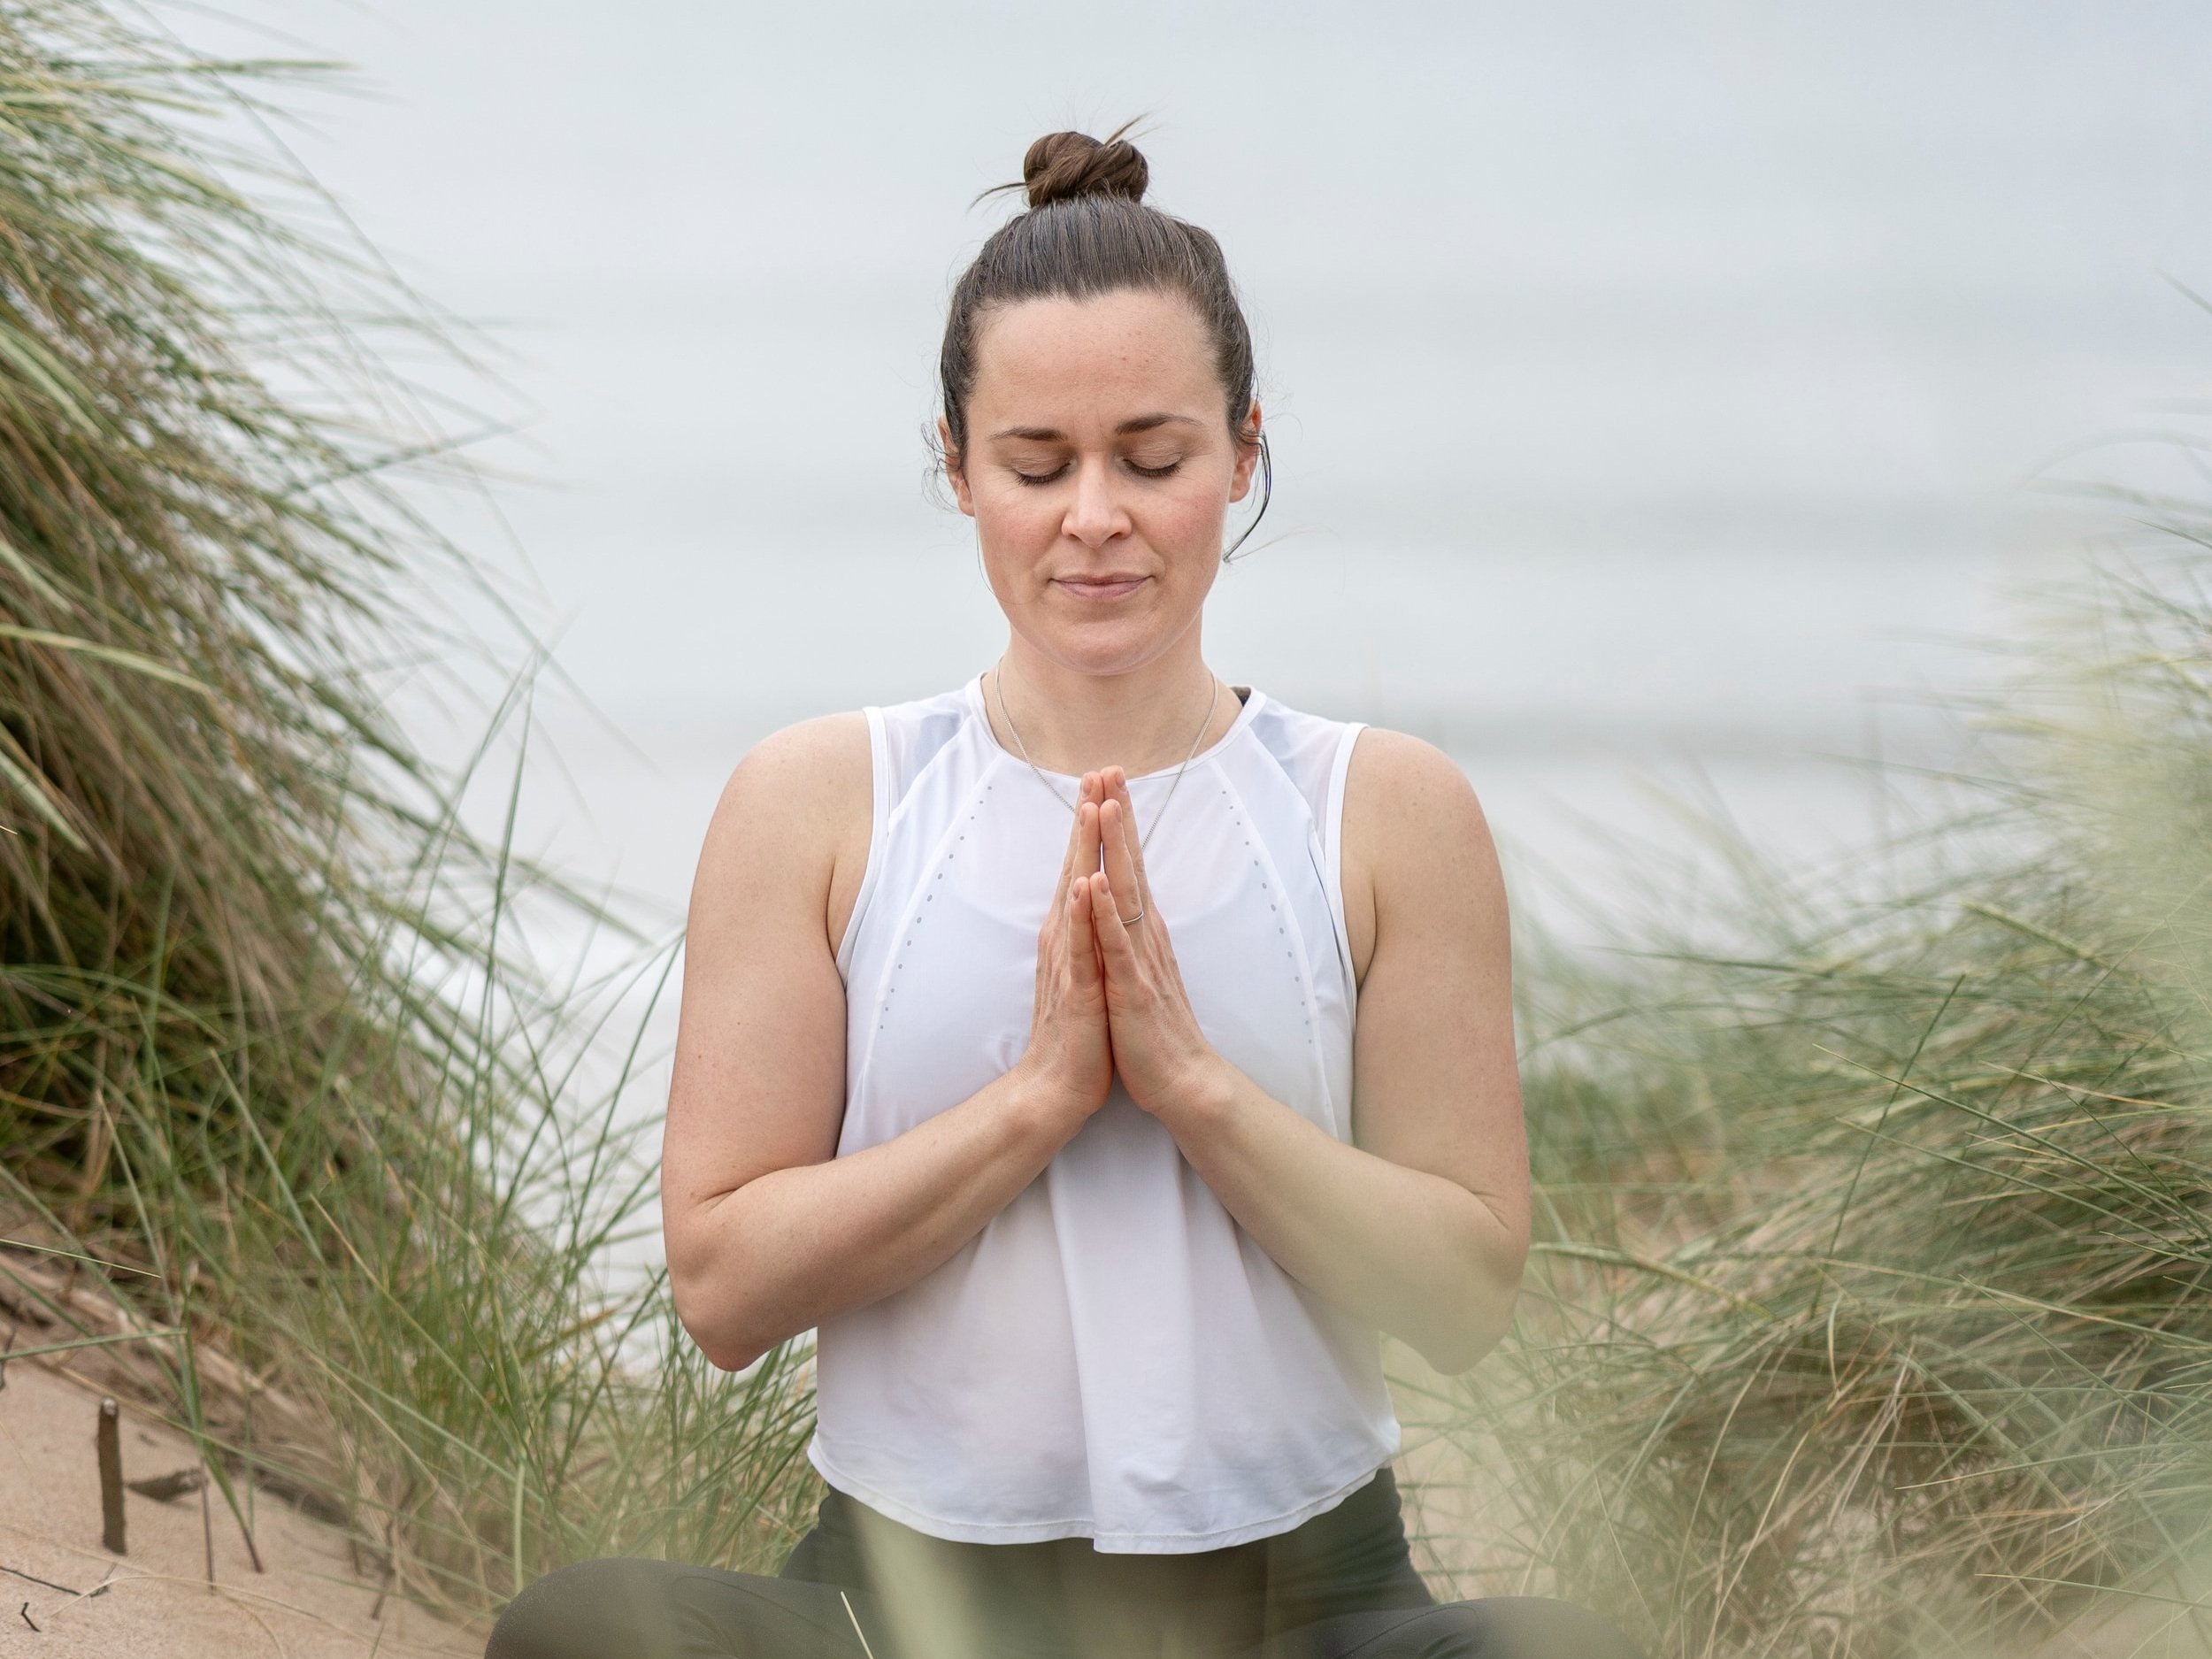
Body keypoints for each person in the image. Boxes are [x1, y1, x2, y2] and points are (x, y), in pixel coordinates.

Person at [486, 127, 1643, 1659]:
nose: (1094, 514)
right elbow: (720, 1287)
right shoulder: (822, 800)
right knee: (581, 1636)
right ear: (958, 466)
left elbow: (1464, 1295)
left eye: (1153, 459)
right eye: (1037, 465)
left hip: (1301, 1609)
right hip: (901, 1607)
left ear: (1244, 452)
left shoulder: (1384, 810)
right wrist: (1034, 1102)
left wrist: (1190, 1093)